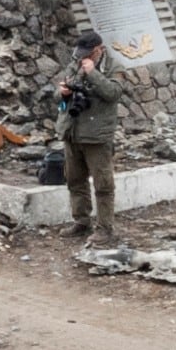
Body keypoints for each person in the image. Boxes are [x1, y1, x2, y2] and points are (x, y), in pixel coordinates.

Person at [56, 30, 124, 240]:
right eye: (81, 53)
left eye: (87, 54)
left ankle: (105, 228)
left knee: (103, 184)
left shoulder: (114, 67)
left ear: (98, 50)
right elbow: (57, 96)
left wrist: (93, 73)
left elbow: (113, 93)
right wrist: (63, 93)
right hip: (72, 131)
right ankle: (81, 222)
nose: (82, 57)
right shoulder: (75, 62)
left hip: (96, 135)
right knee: (75, 181)